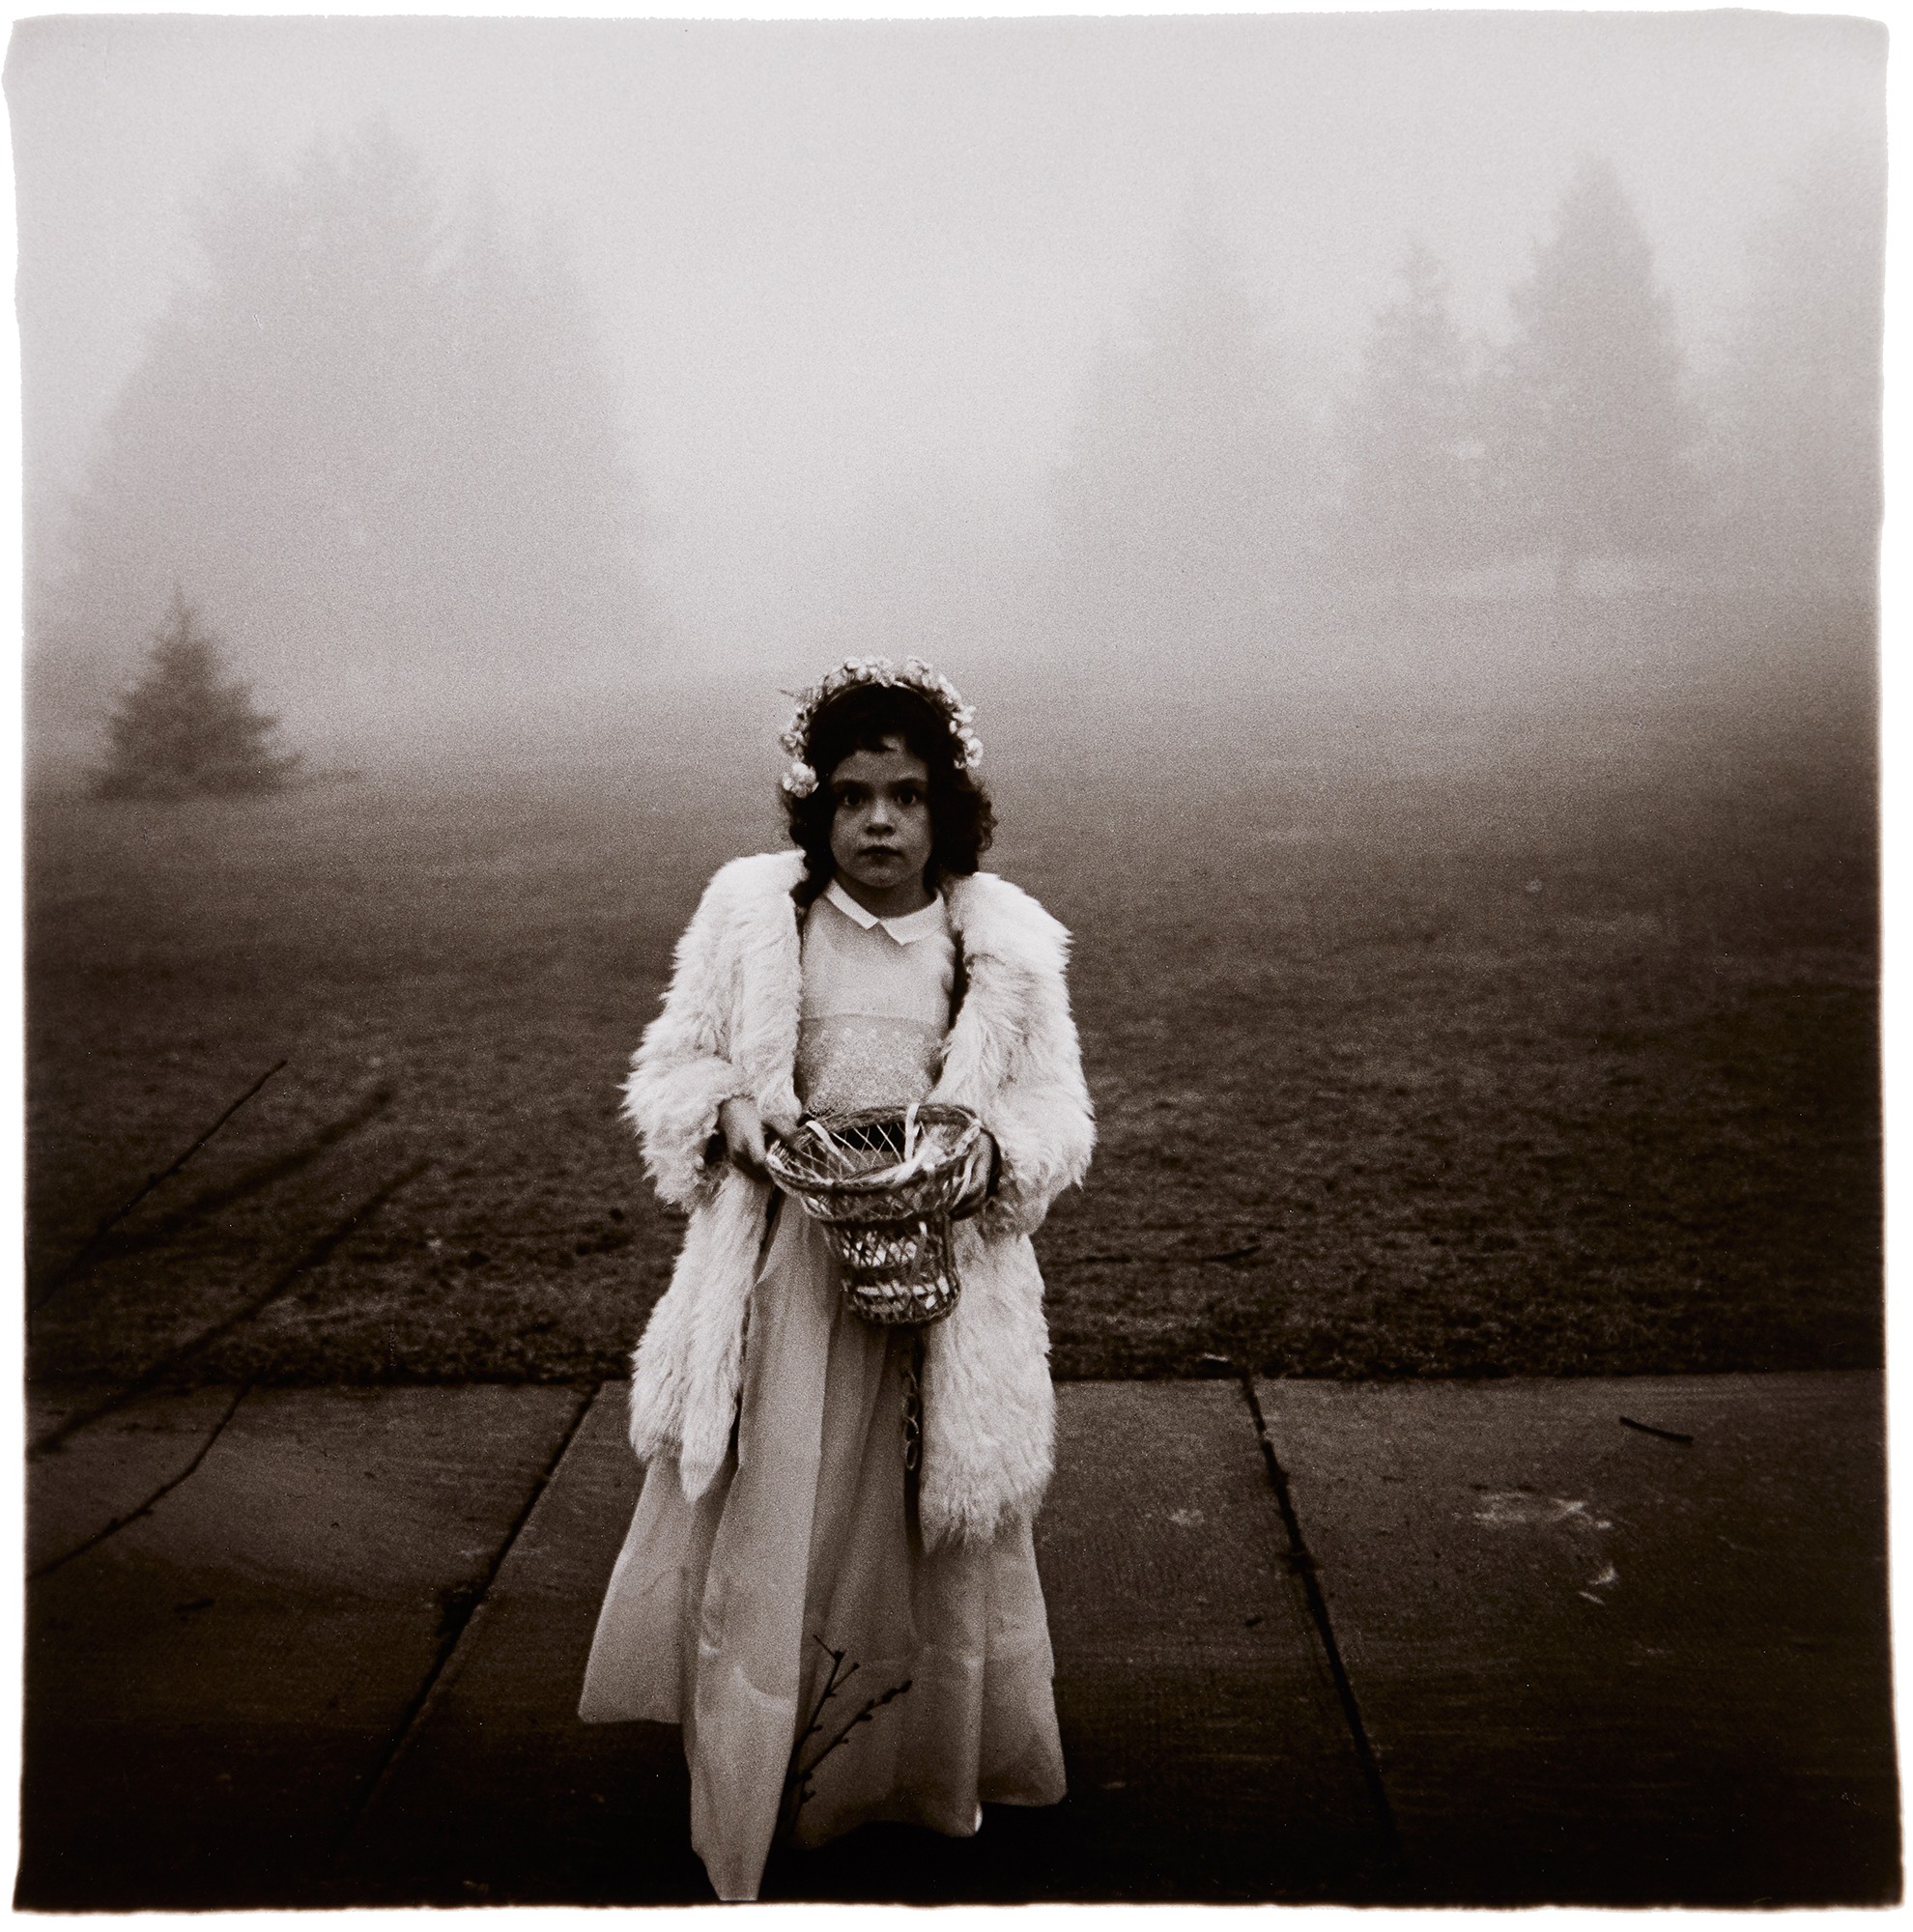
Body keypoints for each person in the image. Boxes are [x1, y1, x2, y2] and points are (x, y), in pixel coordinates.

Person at [578, 655, 1096, 1901]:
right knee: (785, 1507)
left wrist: (986, 1159)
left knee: (923, 1518)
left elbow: (1057, 1111)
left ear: (945, 808)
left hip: (939, 1290)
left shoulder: (998, 946)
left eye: (905, 795)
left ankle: (908, 1773)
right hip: (787, 1288)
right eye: (852, 795)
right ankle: (769, 1776)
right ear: (814, 809)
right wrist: (732, 1115)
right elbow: (677, 1064)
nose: (877, 822)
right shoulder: (758, 919)